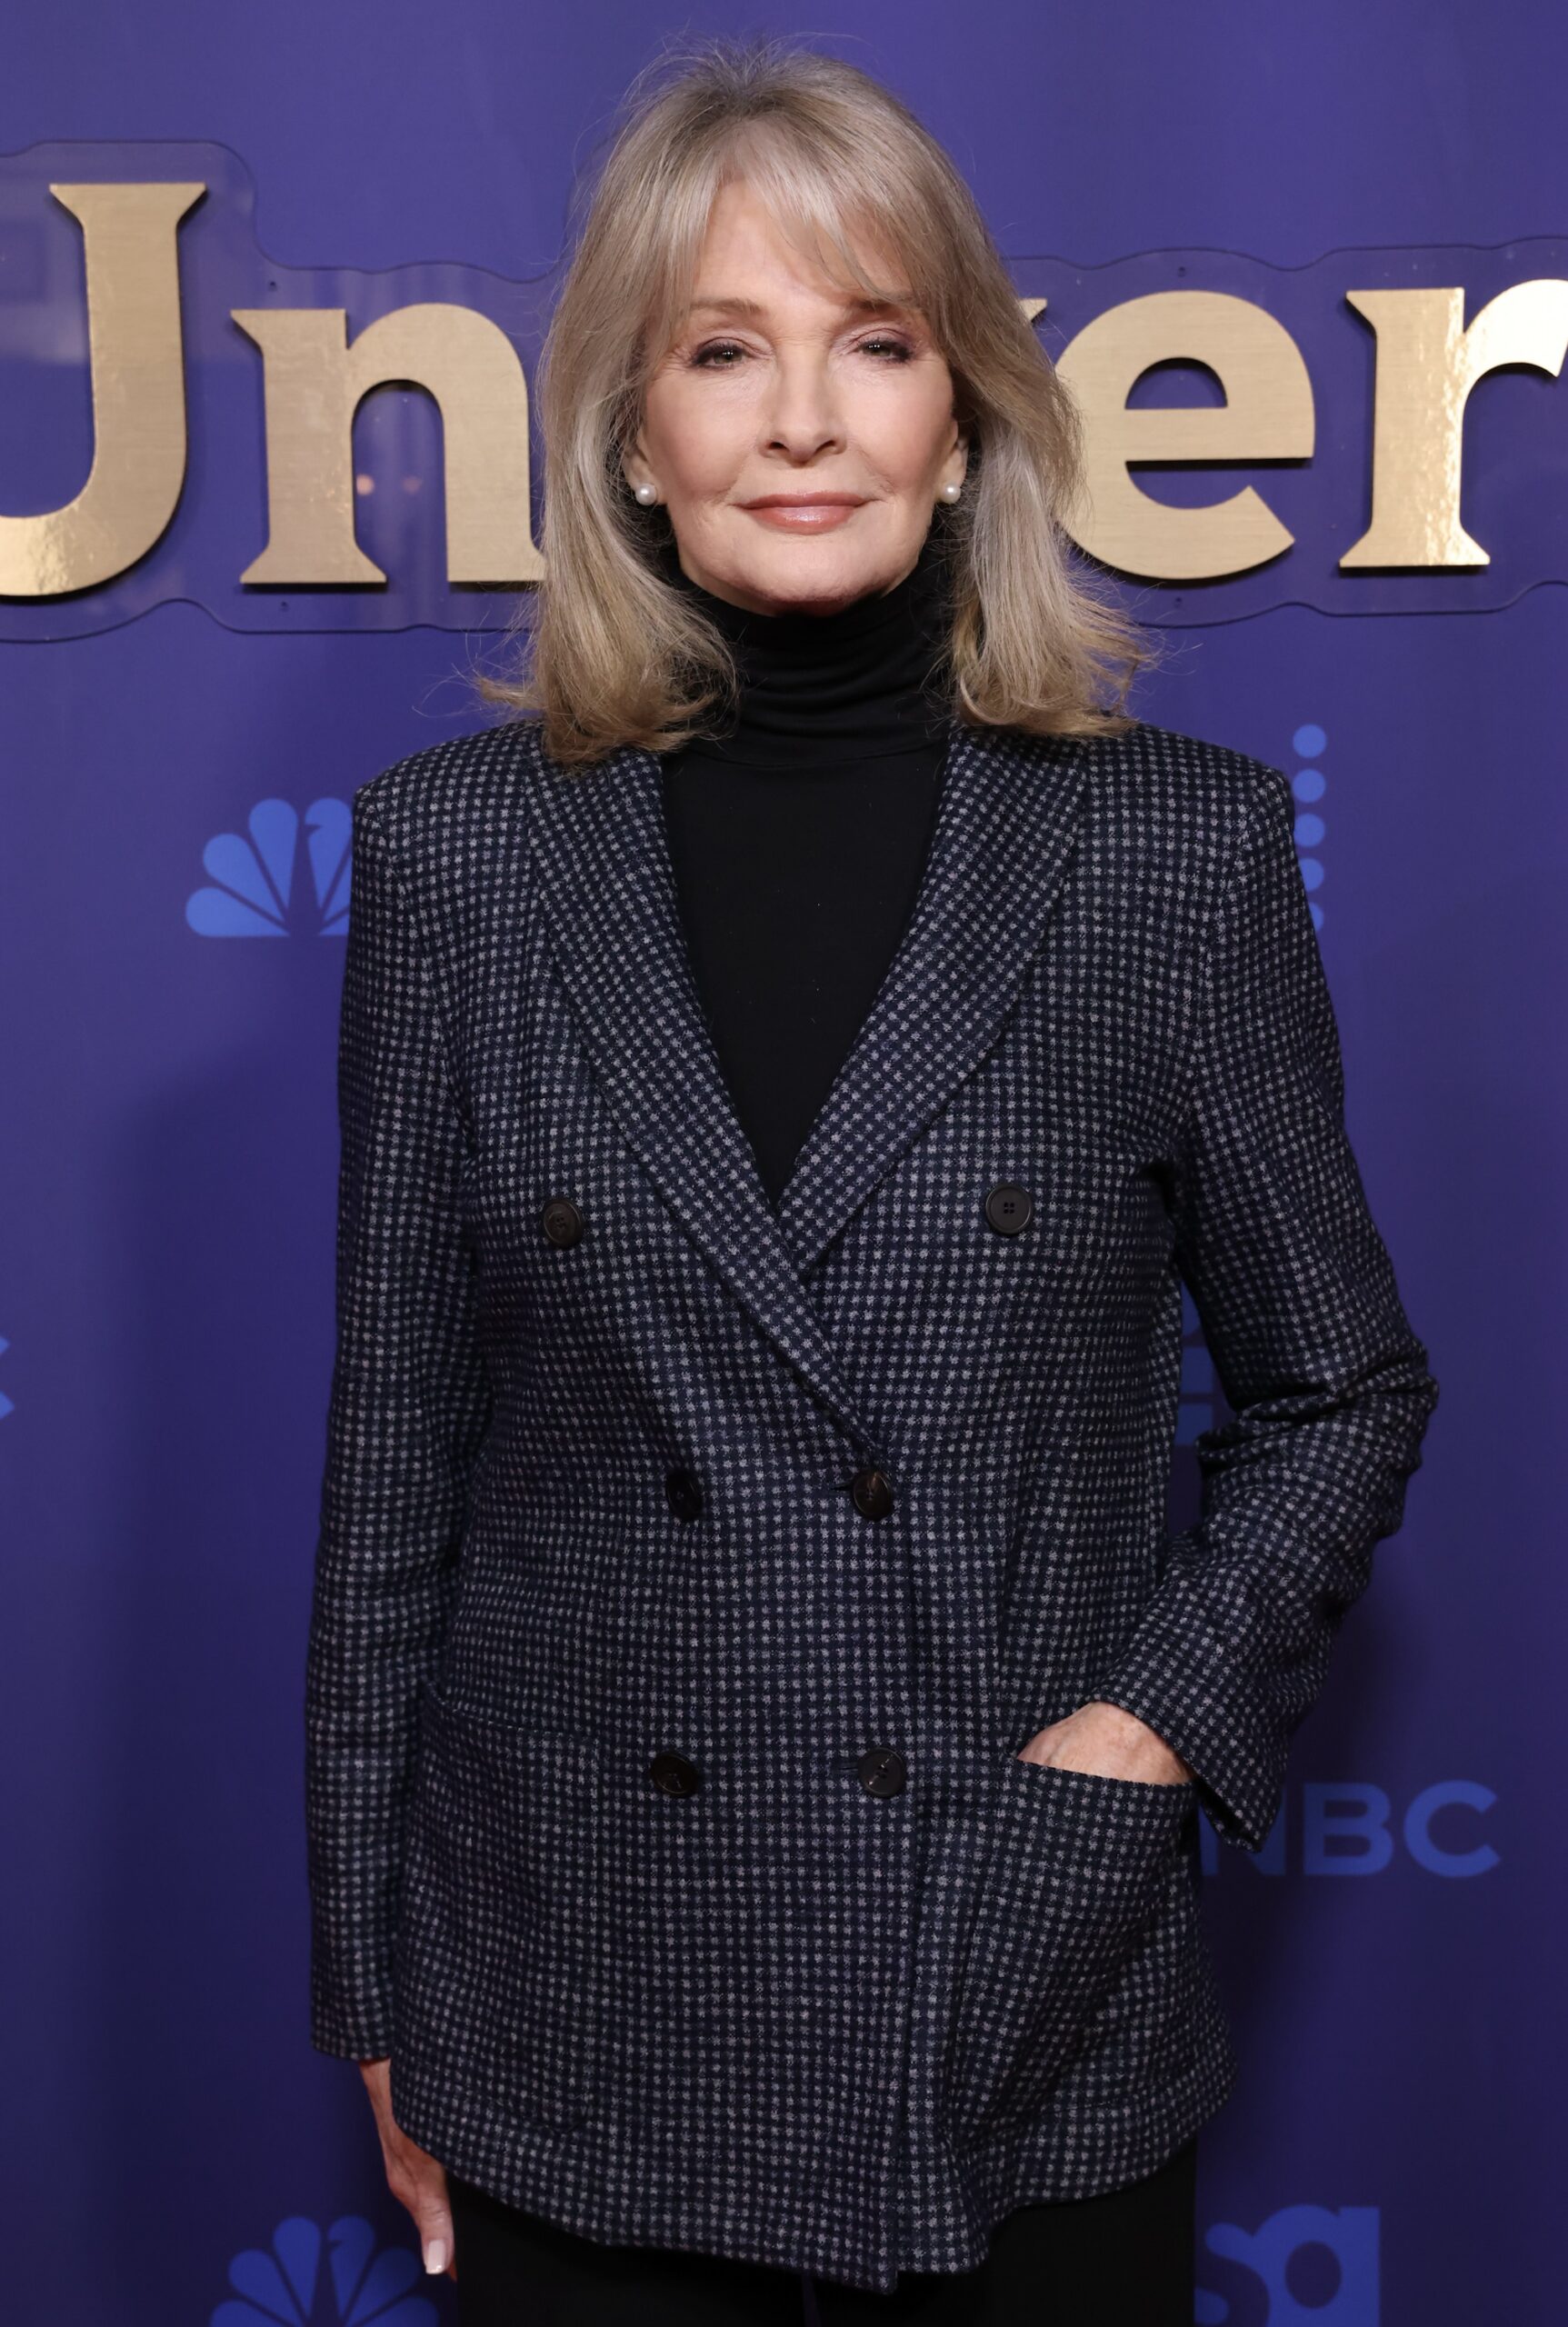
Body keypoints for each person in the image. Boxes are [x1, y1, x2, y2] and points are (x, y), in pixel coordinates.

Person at [303, 36, 1440, 2326]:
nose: (799, 417)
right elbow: (396, 1456)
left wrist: (1126, 1752)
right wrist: (370, 1972)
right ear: (633, 433)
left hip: (1016, 1979)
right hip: (569, 1989)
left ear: (964, 413)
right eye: (722, 351)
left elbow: (1339, 1391)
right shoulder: (456, 859)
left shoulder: (1168, 849)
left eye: (871, 343)